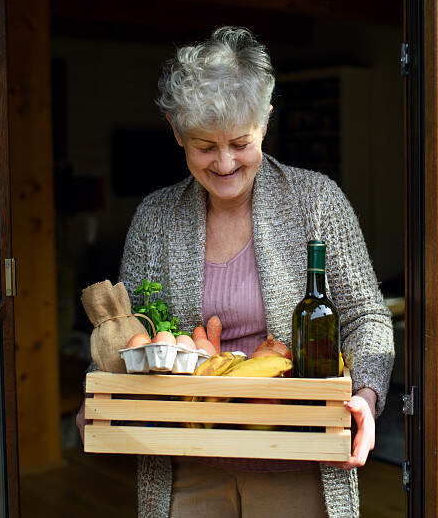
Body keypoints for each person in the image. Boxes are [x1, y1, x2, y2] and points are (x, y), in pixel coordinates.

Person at [76, 26, 394, 518]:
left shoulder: (317, 202)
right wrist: (99, 389)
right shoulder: (155, 218)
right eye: (204, 146)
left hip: (298, 460)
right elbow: (129, 333)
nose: (224, 163)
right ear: (177, 131)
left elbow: (366, 318)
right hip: (185, 462)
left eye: (240, 143)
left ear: (265, 122)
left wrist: (367, 399)